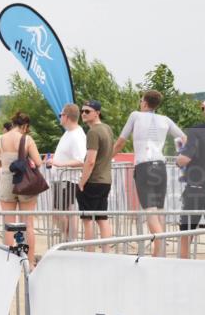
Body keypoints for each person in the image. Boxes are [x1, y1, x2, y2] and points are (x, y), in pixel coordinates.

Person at [113, 89, 186, 256]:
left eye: (141, 101)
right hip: (160, 165)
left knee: (150, 211)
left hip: (144, 165)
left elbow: (120, 142)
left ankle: (159, 248)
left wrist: (108, 157)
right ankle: (159, 253)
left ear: (145, 103)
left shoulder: (135, 115)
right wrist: (181, 155)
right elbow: (184, 138)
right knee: (159, 210)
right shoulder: (165, 119)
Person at [0, 111, 42, 267]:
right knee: (28, 224)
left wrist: (7, 163)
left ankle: (8, 263)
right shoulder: (27, 139)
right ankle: (30, 262)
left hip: (6, 182)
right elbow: (38, 162)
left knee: (9, 224)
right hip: (25, 183)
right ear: (25, 126)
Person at [46, 103, 87, 241]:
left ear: (67, 116)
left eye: (61, 115)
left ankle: (69, 239)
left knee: (59, 213)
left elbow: (81, 160)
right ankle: (69, 239)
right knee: (66, 212)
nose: (59, 117)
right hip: (63, 179)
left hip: (68, 179)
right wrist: (54, 160)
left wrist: (59, 164)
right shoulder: (69, 133)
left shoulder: (76, 135)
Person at [77, 100, 114, 250]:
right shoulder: (107, 128)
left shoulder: (93, 132)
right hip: (105, 180)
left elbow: (90, 160)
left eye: (87, 111)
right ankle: (106, 253)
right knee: (102, 219)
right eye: (82, 111)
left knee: (88, 220)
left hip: (93, 181)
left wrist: (82, 181)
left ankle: (90, 254)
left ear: (97, 113)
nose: (83, 114)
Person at [177, 118, 205, 258]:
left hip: (196, 187)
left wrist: (178, 159)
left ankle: (184, 263)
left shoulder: (196, 131)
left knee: (187, 228)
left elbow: (185, 159)